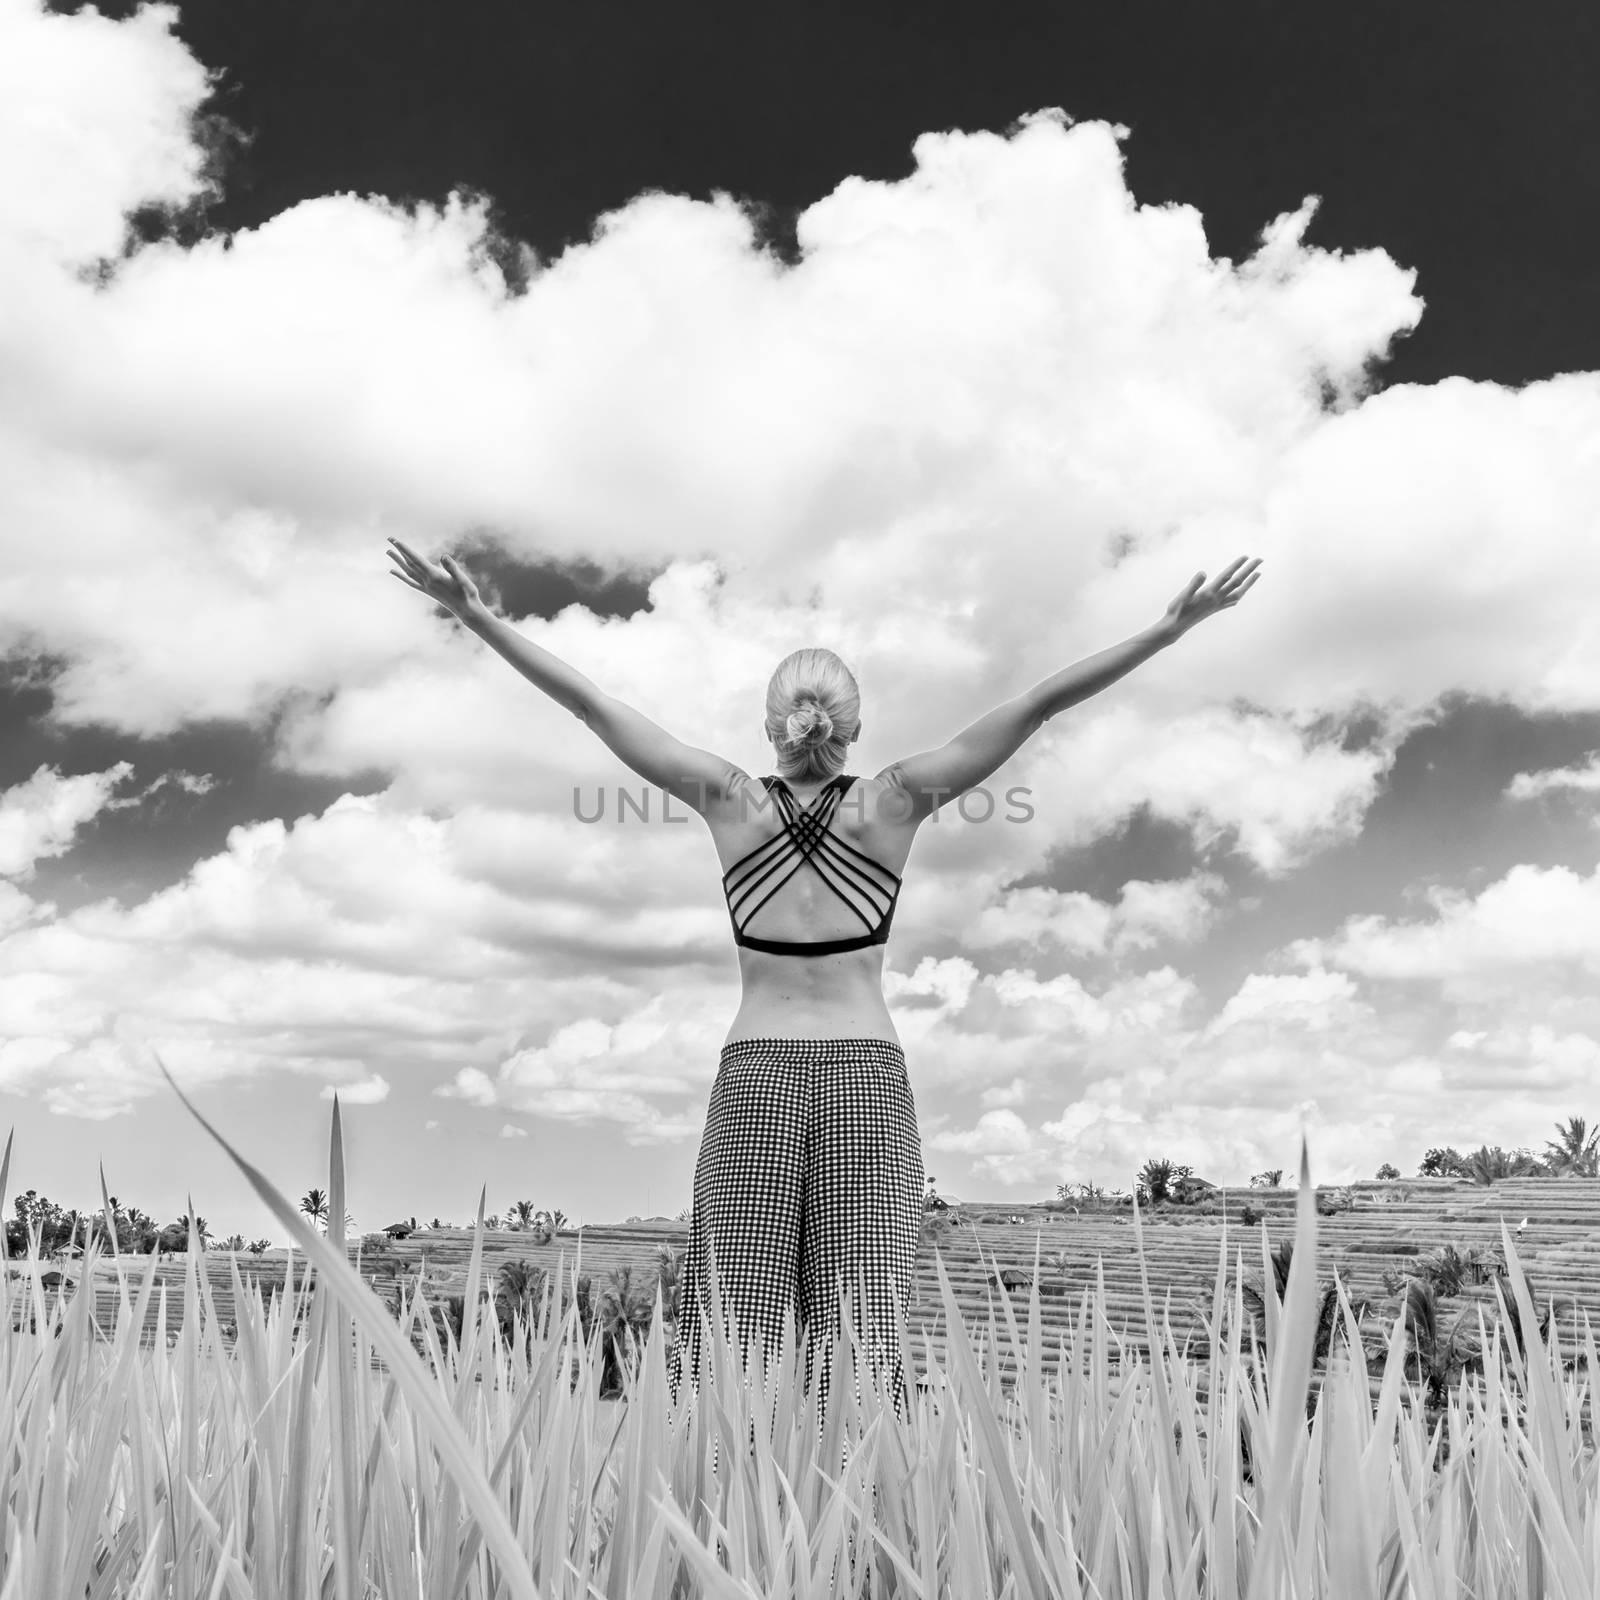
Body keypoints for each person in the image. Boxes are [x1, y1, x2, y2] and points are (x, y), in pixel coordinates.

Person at [385, 539, 1262, 1460]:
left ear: (775, 726)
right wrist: (1168, 631)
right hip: (868, 1082)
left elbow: (593, 706)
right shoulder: (894, 803)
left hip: (755, 1075)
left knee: (735, 1334)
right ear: (852, 725)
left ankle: (724, 1526)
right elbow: (1038, 703)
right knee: (863, 1334)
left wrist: (476, 614)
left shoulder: (729, 801)